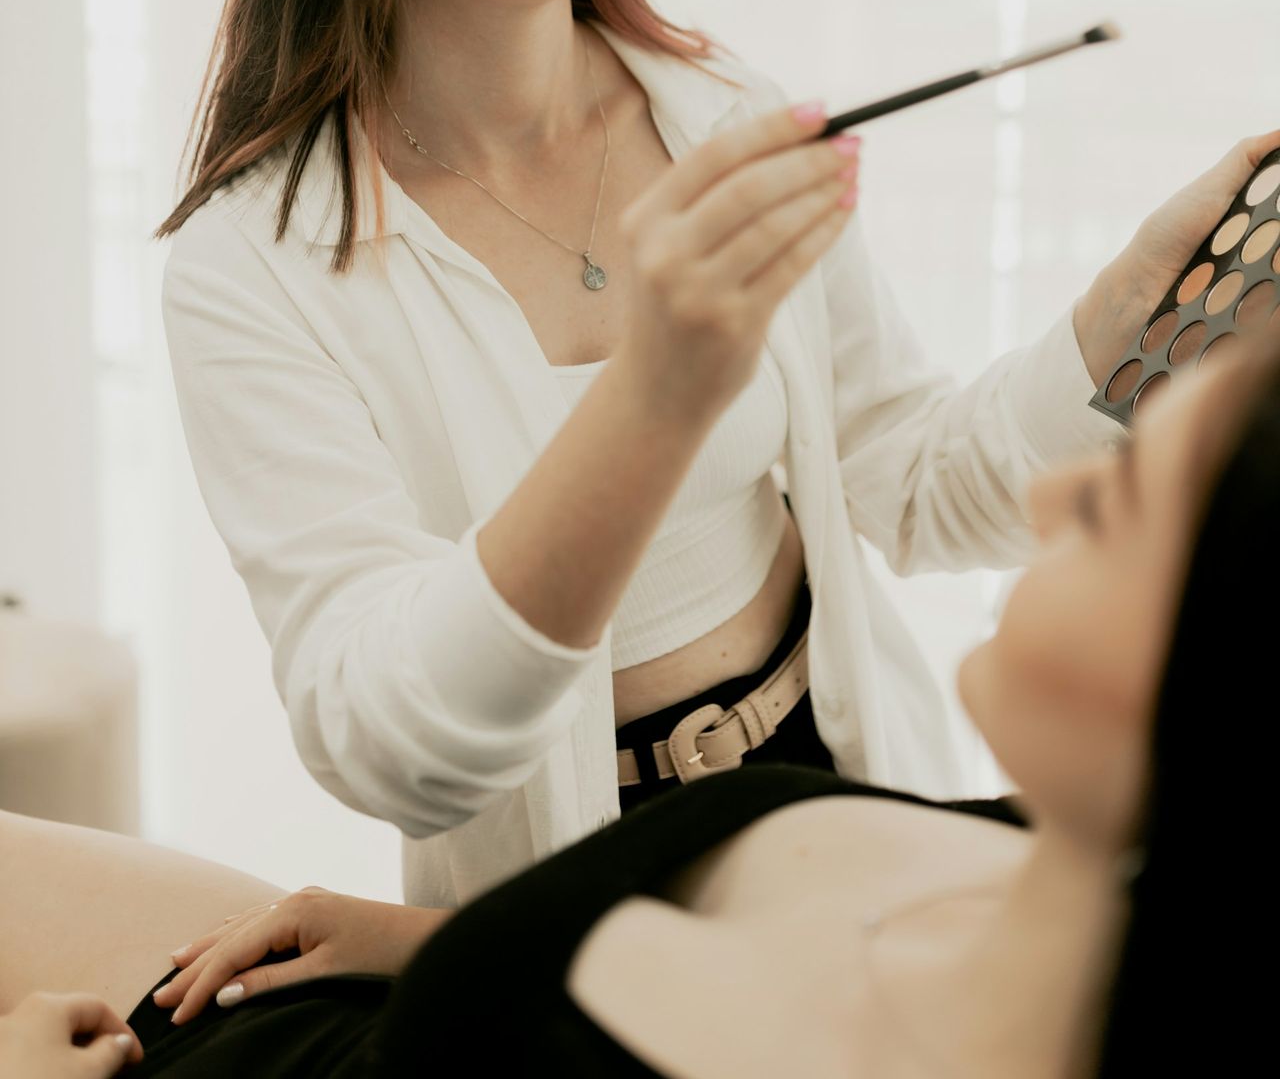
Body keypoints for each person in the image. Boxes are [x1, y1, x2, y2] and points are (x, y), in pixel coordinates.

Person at [155, 0, 1280, 908]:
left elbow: (914, 487)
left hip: (845, 803)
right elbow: (389, 742)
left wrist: (1138, 314)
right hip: (566, 904)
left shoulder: (719, 113)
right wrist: (657, 390)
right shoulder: (253, 265)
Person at [3, 320, 1276, 1077]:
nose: (1056, 498)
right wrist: (436, 946)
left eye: (1116, 505)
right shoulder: (1013, 845)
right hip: (313, 1015)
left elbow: (916, 470)